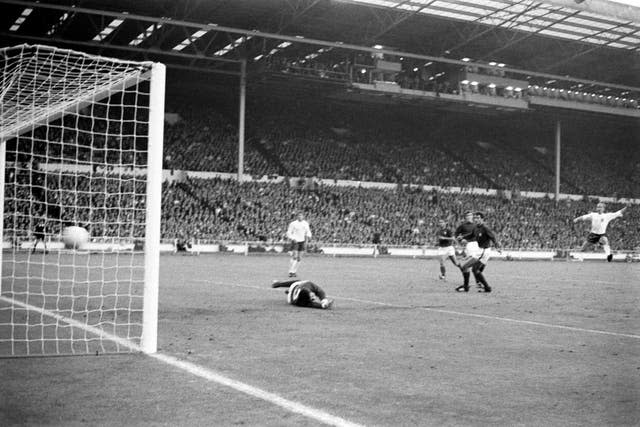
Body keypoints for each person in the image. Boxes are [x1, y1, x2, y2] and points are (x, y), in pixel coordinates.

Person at [457, 212, 501, 293]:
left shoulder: (485, 228)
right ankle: (487, 287)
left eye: (478, 218)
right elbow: (471, 235)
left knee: (466, 267)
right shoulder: (476, 227)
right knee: (474, 270)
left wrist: (497, 247)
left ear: (482, 219)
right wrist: (462, 237)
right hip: (480, 251)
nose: (476, 219)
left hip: (484, 251)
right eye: (475, 218)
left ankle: (466, 287)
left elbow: (493, 237)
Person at [454, 211, 479, 292]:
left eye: (470, 215)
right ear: (465, 217)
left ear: (472, 216)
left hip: (474, 246)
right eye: (467, 216)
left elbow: (478, 236)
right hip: (466, 247)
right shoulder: (462, 226)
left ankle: (468, 285)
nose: (468, 217)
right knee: (465, 266)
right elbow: (456, 235)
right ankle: (467, 285)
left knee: (467, 265)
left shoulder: (476, 225)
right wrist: (461, 240)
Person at [286, 212, 312, 277]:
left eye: (301, 215)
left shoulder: (305, 223)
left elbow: (308, 231)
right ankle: (290, 271)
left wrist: (309, 236)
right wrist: (292, 238)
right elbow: (288, 232)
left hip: (302, 241)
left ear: (303, 216)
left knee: (299, 258)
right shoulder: (293, 224)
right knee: (294, 256)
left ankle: (294, 271)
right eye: (299, 215)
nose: (300, 217)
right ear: (297, 216)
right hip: (295, 241)